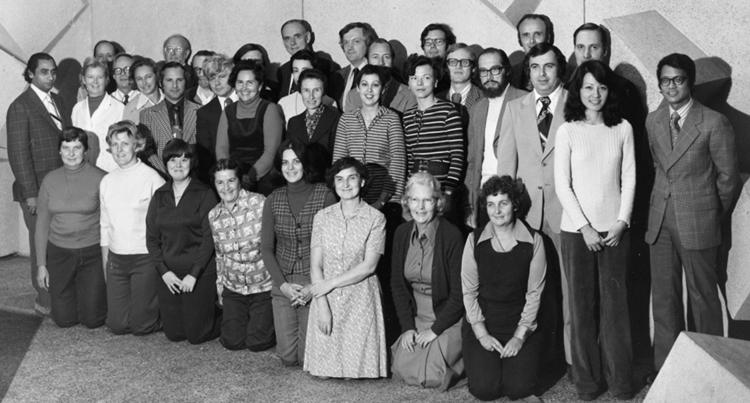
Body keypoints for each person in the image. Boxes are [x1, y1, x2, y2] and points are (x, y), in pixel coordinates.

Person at [646, 53, 739, 379]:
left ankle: (709, 371)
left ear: (690, 82)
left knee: (703, 300)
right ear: (659, 84)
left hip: (698, 221)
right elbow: (659, 167)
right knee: (664, 299)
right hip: (660, 222)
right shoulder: (653, 121)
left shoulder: (713, 122)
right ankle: (668, 373)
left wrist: (709, 212)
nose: (671, 86)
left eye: (679, 79)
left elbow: (727, 179)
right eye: (666, 80)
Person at [555, 60, 636, 400]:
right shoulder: (567, 130)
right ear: (578, 91)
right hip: (577, 233)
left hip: (615, 230)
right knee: (582, 308)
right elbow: (562, 184)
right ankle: (587, 383)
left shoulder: (623, 128)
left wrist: (621, 221)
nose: (595, 94)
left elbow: (630, 177)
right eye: (588, 87)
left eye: (602, 87)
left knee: (615, 309)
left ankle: (620, 383)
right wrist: (585, 227)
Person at [497, 42, 570, 365]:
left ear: (559, 69)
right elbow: (505, 170)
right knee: (530, 290)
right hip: (527, 214)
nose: (542, 74)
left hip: (566, 213)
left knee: (570, 291)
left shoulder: (577, 102)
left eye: (549, 66)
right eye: (535, 67)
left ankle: (570, 359)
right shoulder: (516, 108)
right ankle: (534, 358)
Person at [461, 175, 546, 401]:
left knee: (518, 388)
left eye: (503, 203)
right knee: (484, 389)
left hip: (519, 323)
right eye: (491, 204)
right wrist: (482, 335)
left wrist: (519, 337)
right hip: (484, 322)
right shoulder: (473, 239)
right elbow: (469, 293)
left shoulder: (534, 241)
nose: (497, 211)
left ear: (515, 205)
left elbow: (534, 294)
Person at [304, 157, 387, 378]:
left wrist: (328, 285)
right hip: (327, 297)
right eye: (339, 179)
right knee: (322, 373)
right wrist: (322, 305)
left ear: (362, 182)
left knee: (355, 372)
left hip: (359, 298)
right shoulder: (322, 217)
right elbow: (315, 265)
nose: (346, 184)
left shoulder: (376, 219)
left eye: (352, 178)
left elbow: (369, 266)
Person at [261, 140, 337, 366]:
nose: (290, 168)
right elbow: (265, 249)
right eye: (285, 162)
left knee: (306, 358)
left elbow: (332, 250)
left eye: (296, 161)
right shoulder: (273, 199)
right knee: (287, 357)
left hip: (313, 281)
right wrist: (282, 285)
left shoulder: (325, 196)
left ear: (306, 164)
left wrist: (313, 288)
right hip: (283, 281)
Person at [7, 52, 71, 316]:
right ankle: (44, 299)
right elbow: (18, 154)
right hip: (36, 191)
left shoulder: (57, 100)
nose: (51, 76)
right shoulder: (20, 106)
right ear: (31, 73)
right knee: (41, 245)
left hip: (60, 186)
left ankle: (62, 295)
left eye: (53, 71)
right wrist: (31, 195)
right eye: (44, 71)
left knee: (57, 243)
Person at [390, 172, 465, 390]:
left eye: (427, 200)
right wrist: (407, 327)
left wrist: (435, 330)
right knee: (402, 368)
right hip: (417, 316)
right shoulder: (402, 233)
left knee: (431, 376)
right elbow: (397, 285)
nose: (420, 207)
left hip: (448, 318)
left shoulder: (452, 236)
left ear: (437, 202)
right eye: (414, 200)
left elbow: (459, 295)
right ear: (407, 202)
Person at [146, 139, 220, 344]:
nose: (178, 165)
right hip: (170, 273)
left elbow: (209, 239)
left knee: (196, 335)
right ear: (166, 164)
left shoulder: (205, 193)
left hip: (199, 271)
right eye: (173, 160)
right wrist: (164, 272)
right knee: (175, 334)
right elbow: (151, 240)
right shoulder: (159, 196)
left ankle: (222, 313)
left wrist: (193, 275)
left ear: (191, 163)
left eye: (184, 159)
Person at [35, 127, 107, 328]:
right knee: (64, 320)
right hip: (60, 253)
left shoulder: (101, 178)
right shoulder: (50, 180)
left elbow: (109, 222)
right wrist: (42, 265)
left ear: (86, 151)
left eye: (77, 148)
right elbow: (42, 224)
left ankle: (89, 293)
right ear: (59, 151)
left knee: (93, 320)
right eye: (66, 148)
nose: (71, 153)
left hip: (91, 252)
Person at [100, 120, 165, 335]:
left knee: (141, 326)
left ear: (136, 146)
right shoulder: (107, 181)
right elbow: (105, 225)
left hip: (144, 258)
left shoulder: (152, 178)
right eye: (115, 144)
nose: (119, 150)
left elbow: (163, 225)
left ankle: (162, 312)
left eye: (125, 144)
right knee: (117, 325)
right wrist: (106, 262)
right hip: (117, 259)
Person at [208, 159, 275, 351]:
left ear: (239, 181)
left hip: (262, 285)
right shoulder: (214, 215)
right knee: (232, 342)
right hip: (234, 287)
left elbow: (273, 244)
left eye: (230, 180)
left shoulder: (260, 203)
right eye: (220, 182)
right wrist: (220, 286)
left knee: (257, 343)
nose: (226, 187)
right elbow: (219, 254)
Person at [465, 48, 527, 228]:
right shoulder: (477, 108)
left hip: (515, 197)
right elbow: (472, 161)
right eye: (484, 71)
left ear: (507, 70)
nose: (489, 76)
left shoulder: (525, 100)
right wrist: (471, 205)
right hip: (485, 197)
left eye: (495, 70)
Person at [332, 64, 406, 210]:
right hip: (351, 198)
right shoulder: (346, 119)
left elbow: (398, 163)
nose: (369, 90)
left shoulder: (391, 119)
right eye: (364, 84)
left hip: (384, 200)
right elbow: (338, 161)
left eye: (375, 85)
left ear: (383, 89)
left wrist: (382, 201)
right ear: (358, 88)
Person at [402, 56, 464, 220]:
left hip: (441, 185)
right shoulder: (407, 116)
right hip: (416, 187)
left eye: (426, 78)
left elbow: (457, 156)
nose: (420, 83)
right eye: (415, 78)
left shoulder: (448, 111)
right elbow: (409, 158)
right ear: (409, 83)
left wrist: (448, 191)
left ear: (436, 82)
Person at [215, 60, 284, 196]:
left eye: (250, 83)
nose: (244, 88)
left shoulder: (270, 109)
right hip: (232, 177)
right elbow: (221, 148)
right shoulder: (228, 111)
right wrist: (229, 176)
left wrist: (250, 177)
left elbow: (271, 151)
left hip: (263, 177)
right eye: (240, 82)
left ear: (259, 86)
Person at [140, 62, 200, 173]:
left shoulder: (199, 111)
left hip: (194, 177)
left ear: (186, 82)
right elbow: (148, 151)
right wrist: (166, 172)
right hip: (161, 176)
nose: (175, 85)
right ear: (161, 83)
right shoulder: (147, 114)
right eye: (169, 80)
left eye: (179, 80)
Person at [71, 58, 125, 172]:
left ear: (106, 80)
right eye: (90, 77)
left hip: (110, 171)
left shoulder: (119, 108)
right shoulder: (77, 109)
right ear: (84, 80)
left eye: (100, 77)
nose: (95, 82)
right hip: (83, 171)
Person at [342, 39, 417, 115]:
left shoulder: (409, 95)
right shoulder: (353, 96)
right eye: (375, 57)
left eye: (386, 57)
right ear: (367, 60)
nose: (381, 62)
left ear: (392, 60)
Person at [195, 54, 238, 185]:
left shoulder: (249, 101)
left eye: (222, 76)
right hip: (221, 180)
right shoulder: (204, 113)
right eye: (212, 77)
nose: (217, 83)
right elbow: (205, 155)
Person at [276, 19, 340, 99]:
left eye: (297, 36)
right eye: (287, 38)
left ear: (308, 37)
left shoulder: (326, 66)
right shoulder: (283, 71)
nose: (292, 42)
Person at [286, 69, 340, 155]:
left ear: (323, 92)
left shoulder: (336, 118)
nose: (311, 96)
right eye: (306, 90)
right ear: (300, 92)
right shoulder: (293, 122)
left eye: (316, 90)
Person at [277, 50, 337, 123]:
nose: (299, 75)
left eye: (304, 70)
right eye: (296, 70)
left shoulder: (329, 101)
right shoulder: (284, 103)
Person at [332, 22, 379, 110]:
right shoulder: (338, 76)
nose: (349, 47)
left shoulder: (377, 73)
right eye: (346, 42)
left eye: (356, 41)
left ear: (368, 43)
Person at [512, 14, 555, 90]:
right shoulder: (512, 74)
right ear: (520, 40)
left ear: (548, 37)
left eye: (537, 34)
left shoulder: (568, 74)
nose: (532, 41)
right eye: (526, 35)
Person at [437, 43, 483, 112]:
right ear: (446, 67)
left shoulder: (484, 98)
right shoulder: (436, 100)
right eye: (452, 62)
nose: (458, 66)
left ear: (473, 68)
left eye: (465, 62)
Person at [122, 57, 164, 123]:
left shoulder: (171, 99)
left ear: (156, 76)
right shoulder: (131, 109)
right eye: (139, 79)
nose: (144, 82)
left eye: (148, 77)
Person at [419, 23, 455, 94]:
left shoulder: (455, 72)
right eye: (428, 42)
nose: (433, 46)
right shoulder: (416, 72)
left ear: (448, 46)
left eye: (438, 42)